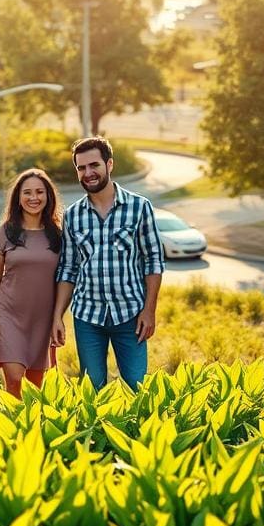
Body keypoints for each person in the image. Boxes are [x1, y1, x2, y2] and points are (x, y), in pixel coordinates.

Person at [51, 136, 165, 390]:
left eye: (94, 165)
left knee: (137, 387)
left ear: (109, 164)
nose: (88, 173)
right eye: (81, 168)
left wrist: (149, 311)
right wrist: (57, 316)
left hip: (131, 316)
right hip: (87, 317)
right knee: (93, 389)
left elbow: (153, 261)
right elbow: (68, 268)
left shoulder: (139, 207)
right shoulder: (73, 216)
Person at [0, 168, 63, 398]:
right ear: (18, 197)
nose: (34, 197)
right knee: (15, 380)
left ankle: (29, 433)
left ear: (48, 196)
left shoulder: (58, 234)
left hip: (43, 320)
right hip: (9, 316)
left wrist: (58, 318)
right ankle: (10, 432)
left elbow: (65, 279)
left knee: (35, 390)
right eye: (27, 192)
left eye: (40, 192)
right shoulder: (5, 232)